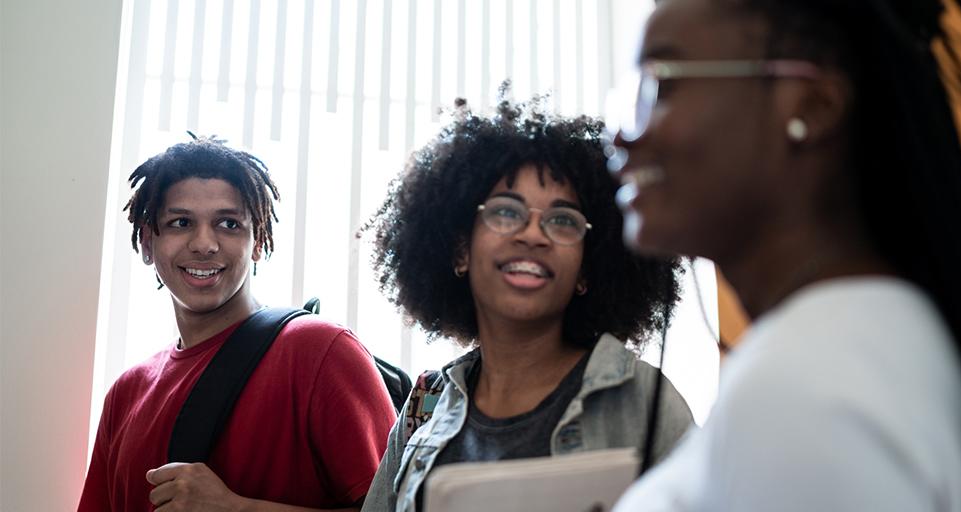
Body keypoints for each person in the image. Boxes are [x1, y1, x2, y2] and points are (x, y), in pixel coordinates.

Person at [607, 0, 961, 510]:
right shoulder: (864, 340)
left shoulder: (805, 387)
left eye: (661, 83)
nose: (622, 135)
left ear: (811, 106)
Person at [361, 93, 695, 512]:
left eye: (562, 220)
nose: (533, 235)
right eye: (505, 212)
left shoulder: (646, 403)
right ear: (461, 251)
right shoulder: (422, 410)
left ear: (586, 272)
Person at [78, 136, 397, 511]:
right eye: (180, 222)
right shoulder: (125, 394)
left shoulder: (321, 353)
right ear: (148, 243)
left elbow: (396, 507)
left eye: (228, 224)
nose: (204, 244)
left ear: (258, 241)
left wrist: (237, 508)